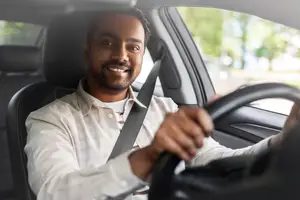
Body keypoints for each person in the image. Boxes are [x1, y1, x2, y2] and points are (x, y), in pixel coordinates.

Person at [24, 8, 299, 200]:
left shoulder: (163, 109)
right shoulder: (49, 118)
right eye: (107, 42)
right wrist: (147, 158)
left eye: (133, 46)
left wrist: (284, 140)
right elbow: (54, 193)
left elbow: (216, 160)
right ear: (87, 48)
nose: (121, 55)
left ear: (143, 54)